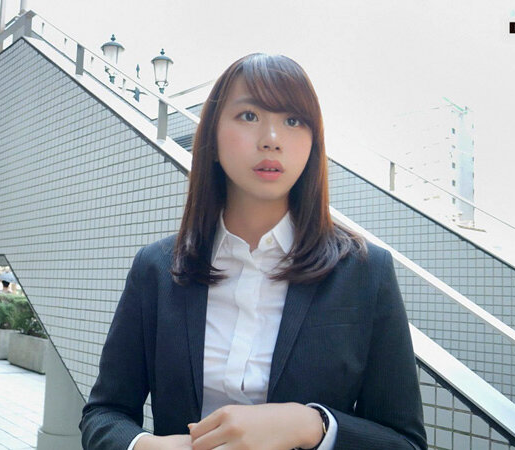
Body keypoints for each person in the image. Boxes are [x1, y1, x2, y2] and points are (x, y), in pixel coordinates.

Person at [80, 53, 426, 450]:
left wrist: (311, 425)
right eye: (249, 116)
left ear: (313, 144)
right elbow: (104, 413)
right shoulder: (157, 268)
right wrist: (150, 446)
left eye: (293, 120)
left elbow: (405, 442)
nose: (271, 139)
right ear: (211, 139)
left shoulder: (365, 271)